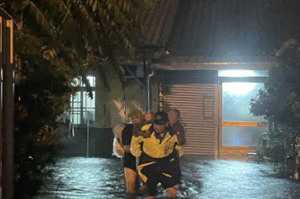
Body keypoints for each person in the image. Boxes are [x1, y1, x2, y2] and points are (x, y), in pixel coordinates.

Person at [131, 111, 185, 198]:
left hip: (165, 162)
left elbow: (179, 145)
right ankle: (149, 192)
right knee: (152, 181)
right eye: (156, 124)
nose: (157, 127)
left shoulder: (173, 133)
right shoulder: (145, 130)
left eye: (161, 124)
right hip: (148, 161)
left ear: (166, 124)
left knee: (172, 189)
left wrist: (178, 155)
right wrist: (137, 153)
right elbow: (135, 140)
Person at [121, 109, 143, 195]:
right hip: (130, 160)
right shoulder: (127, 129)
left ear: (141, 118)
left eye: (137, 117)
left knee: (147, 187)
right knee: (130, 188)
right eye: (133, 118)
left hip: (145, 160)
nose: (135, 120)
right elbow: (126, 147)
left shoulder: (147, 128)